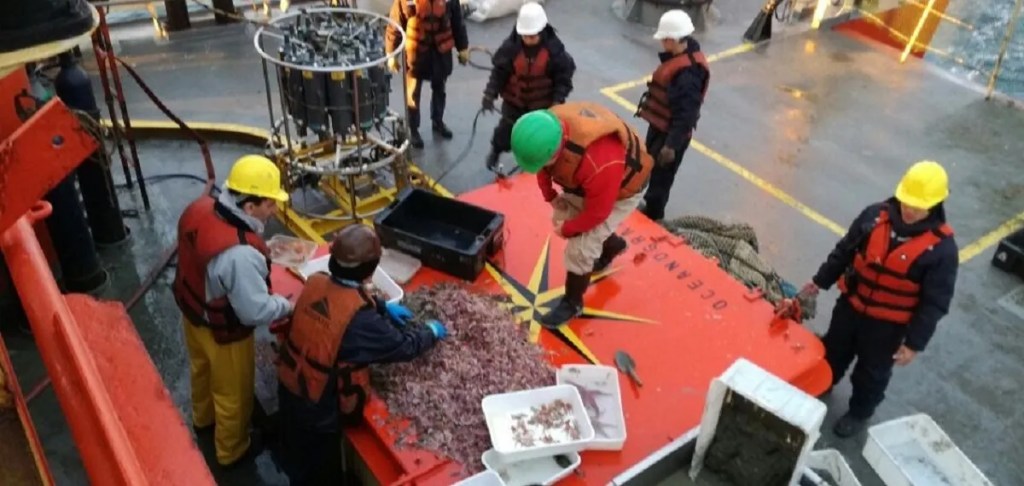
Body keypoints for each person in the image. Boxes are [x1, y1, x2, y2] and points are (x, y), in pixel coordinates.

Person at [276, 224, 446, 485]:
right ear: (370, 269)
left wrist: (381, 307)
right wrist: (431, 332)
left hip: (288, 384)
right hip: (318, 407)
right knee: (320, 473)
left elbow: (343, 297)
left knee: (295, 455)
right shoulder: (361, 322)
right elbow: (404, 346)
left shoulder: (316, 280)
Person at [801, 161, 958, 438]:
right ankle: (822, 383)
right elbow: (843, 252)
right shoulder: (872, 218)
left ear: (934, 205)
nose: (909, 210)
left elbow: (934, 303)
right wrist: (819, 282)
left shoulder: (942, 251)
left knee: (871, 374)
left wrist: (914, 344)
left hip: (887, 328)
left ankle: (859, 413)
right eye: (907, 202)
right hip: (850, 308)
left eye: (918, 207)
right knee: (832, 352)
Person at [172, 155, 294, 467]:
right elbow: (254, 312)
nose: (274, 210)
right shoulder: (240, 254)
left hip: (193, 315)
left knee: (201, 371)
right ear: (249, 206)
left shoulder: (199, 209)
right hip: (224, 333)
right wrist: (287, 304)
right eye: (269, 204)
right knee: (234, 396)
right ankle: (232, 451)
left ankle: (203, 420)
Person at [510, 101, 654, 327]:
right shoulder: (548, 130)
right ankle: (611, 245)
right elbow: (544, 167)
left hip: (622, 191)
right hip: (594, 185)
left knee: (580, 249)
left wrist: (569, 229)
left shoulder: (600, 161)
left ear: (555, 151)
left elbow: (598, 212)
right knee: (564, 213)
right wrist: (550, 196)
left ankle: (572, 303)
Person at [481, 2, 576, 174]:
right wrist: (489, 94)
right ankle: (495, 152)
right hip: (514, 105)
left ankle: (532, 170)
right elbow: (499, 73)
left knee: (536, 142)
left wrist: (557, 100)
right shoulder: (510, 49)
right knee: (505, 133)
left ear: (541, 31)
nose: (528, 39)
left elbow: (564, 79)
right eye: (525, 36)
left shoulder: (555, 53)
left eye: (532, 36)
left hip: (541, 108)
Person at [634, 10, 709, 222]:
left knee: (661, 178)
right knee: (651, 167)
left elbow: (686, 115)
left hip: (670, 136)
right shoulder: (682, 58)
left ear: (671, 40)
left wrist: (671, 146)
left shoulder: (687, 76)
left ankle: (653, 215)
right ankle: (650, 205)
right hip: (661, 128)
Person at [386, 0, 470, 149]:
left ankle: (438, 121)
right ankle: (413, 129)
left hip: (440, 53)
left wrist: (463, 47)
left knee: (439, 89)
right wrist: (391, 54)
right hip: (416, 53)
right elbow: (395, 25)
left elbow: (457, 21)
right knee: (413, 94)